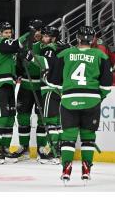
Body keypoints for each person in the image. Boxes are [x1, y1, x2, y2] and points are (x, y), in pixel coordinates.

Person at [39, 26, 112, 183]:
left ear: (77, 38)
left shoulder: (65, 54)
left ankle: (66, 168)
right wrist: (97, 97)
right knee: (88, 137)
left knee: (68, 138)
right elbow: (106, 85)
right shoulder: (101, 55)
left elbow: (53, 83)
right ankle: (86, 169)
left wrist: (64, 94)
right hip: (92, 100)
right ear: (93, 39)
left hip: (69, 100)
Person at [0, 21, 25, 164]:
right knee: (1, 117)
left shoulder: (10, 49)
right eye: (6, 32)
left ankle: (4, 148)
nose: (9, 35)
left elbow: (15, 65)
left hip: (8, 84)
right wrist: (31, 32)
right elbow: (16, 44)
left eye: (10, 32)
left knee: (9, 118)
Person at [12, 19, 52, 164]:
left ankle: (42, 148)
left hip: (41, 86)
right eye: (34, 30)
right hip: (25, 86)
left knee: (42, 118)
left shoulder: (45, 46)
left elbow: (46, 63)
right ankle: (24, 148)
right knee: (22, 117)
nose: (37, 34)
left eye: (39, 31)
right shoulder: (24, 44)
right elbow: (17, 64)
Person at [39, 25, 71, 164]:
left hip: (50, 88)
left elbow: (44, 63)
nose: (44, 38)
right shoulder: (67, 48)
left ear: (53, 37)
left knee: (51, 123)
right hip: (62, 89)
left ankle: (49, 152)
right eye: (44, 35)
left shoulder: (48, 49)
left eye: (46, 36)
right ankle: (58, 151)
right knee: (57, 123)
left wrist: (29, 57)